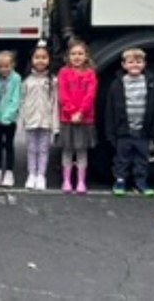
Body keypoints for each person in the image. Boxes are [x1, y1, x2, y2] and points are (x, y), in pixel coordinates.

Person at [104, 48, 154, 197]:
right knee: (121, 159)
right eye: (131, 62)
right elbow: (110, 110)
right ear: (124, 65)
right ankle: (120, 181)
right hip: (124, 130)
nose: (135, 65)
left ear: (145, 64)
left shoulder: (151, 83)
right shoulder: (117, 84)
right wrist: (111, 132)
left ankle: (141, 182)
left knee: (142, 159)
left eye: (138, 61)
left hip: (143, 130)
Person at [57, 39, 97, 194]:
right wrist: (72, 111)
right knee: (67, 150)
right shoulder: (63, 72)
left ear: (86, 56)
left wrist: (81, 112)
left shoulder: (90, 74)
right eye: (73, 54)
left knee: (81, 151)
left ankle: (81, 181)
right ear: (68, 56)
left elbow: (90, 95)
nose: (77, 57)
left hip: (85, 118)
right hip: (68, 118)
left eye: (80, 53)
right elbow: (63, 94)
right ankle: (66, 180)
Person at [20, 41, 58, 191]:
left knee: (43, 149)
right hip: (31, 120)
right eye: (37, 57)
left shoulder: (53, 81)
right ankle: (32, 174)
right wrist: (22, 121)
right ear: (32, 60)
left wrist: (55, 125)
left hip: (46, 121)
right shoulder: (27, 81)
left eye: (44, 57)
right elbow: (22, 101)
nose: (40, 60)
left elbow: (55, 103)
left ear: (49, 60)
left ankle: (41, 175)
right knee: (31, 148)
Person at [0, 51, 22, 187]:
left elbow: (16, 99)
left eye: (7, 66)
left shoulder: (16, 79)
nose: (4, 69)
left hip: (10, 120)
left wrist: (7, 116)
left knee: (9, 145)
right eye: (1, 66)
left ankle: (9, 172)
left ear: (12, 65)